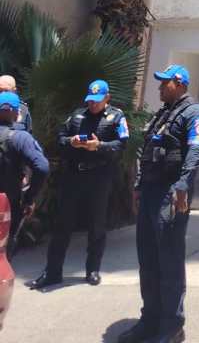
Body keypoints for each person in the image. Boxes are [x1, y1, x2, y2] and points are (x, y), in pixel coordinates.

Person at [119, 65, 199, 343]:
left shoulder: (194, 113)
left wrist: (183, 185)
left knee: (169, 260)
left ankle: (172, 327)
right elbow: (147, 153)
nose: (159, 87)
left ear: (179, 83)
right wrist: (138, 186)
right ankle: (150, 320)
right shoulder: (163, 114)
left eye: (164, 83)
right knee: (148, 260)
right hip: (149, 192)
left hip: (170, 194)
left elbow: (196, 149)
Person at [30, 79, 129, 289]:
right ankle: (52, 272)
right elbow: (60, 138)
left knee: (97, 225)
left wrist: (99, 146)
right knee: (62, 225)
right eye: (90, 100)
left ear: (107, 98)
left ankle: (92, 269)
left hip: (99, 177)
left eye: (97, 101)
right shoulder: (77, 116)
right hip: (73, 176)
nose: (92, 104)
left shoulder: (116, 117)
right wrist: (71, 141)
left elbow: (121, 145)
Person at [0, 90, 49, 258]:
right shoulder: (20, 138)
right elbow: (42, 167)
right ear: (15, 112)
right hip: (7, 204)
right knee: (4, 254)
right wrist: (29, 198)